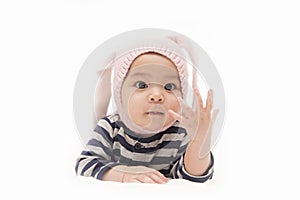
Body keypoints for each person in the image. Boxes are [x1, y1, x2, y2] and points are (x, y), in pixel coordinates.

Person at [75, 37, 216, 183]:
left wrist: (199, 140)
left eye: (169, 87)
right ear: (120, 95)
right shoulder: (110, 127)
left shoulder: (180, 133)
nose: (156, 96)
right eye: (141, 85)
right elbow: (85, 164)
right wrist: (123, 174)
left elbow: (193, 177)